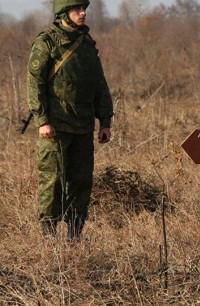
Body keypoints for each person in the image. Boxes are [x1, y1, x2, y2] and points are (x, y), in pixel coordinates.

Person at [27, 0, 113, 241]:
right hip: (55, 127)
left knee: (82, 181)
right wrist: (42, 120)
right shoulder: (47, 42)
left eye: (84, 8)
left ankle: (74, 235)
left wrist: (105, 120)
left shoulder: (86, 44)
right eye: (76, 9)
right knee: (52, 180)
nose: (83, 13)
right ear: (63, 13)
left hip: (83, 126)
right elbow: (35, 83)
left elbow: (99, 83)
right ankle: (49, 237)